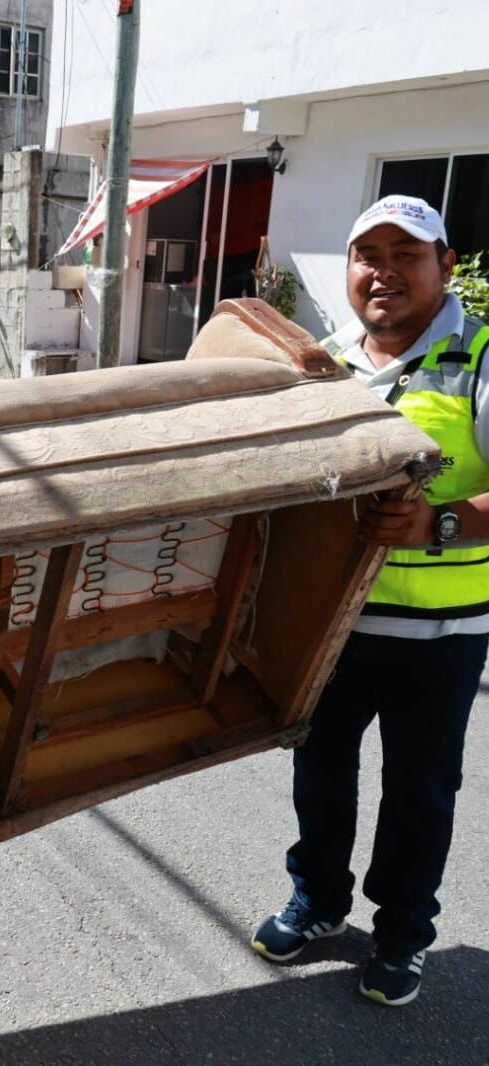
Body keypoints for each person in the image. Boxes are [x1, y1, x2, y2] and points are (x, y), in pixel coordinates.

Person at [250, 195, 489, 1006]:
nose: (383, 272)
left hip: (440, 633)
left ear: (444, 265)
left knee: (420, 791)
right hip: (332, 624)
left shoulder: (479, 359)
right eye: (368, 256)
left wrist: (438, 521)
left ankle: (402, 936)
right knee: (319, 772)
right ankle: (318, 901)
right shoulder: (323, 364)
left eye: (405, 254)